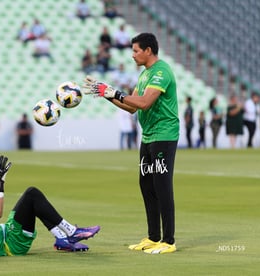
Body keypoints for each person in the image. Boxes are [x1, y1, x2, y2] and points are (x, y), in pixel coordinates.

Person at [82, 32, 178, 254]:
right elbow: (131, 107)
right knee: (147, 186)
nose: (133, 55)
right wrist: (106, 93)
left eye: (136, 50)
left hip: (164, 135)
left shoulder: (161, 72)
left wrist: (116, 92)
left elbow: (144, 103)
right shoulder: (145, 75)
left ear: (148, 50)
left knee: (162, 187)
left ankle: (169, 241)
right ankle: (154, 237)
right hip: (148, 136)